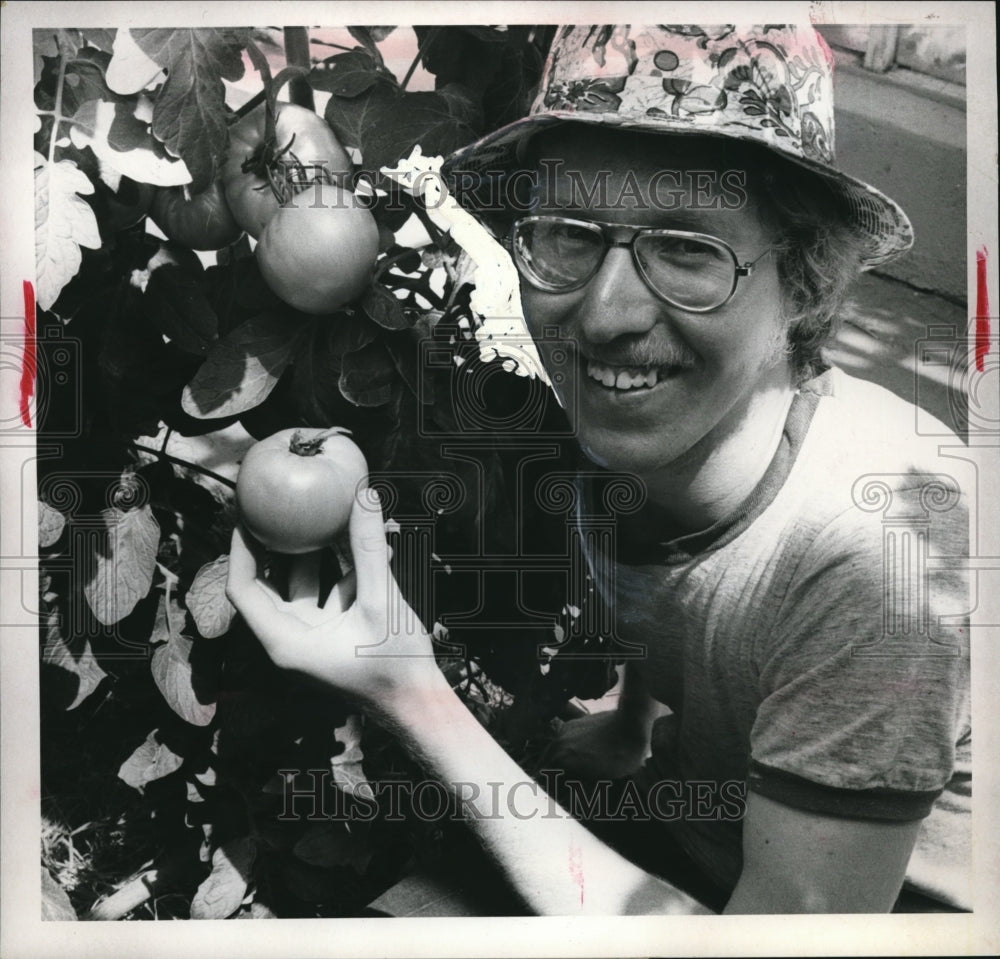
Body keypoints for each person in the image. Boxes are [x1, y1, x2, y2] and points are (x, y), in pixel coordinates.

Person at [226, 24, 970, 914]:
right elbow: (675, 596)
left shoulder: (879, 568)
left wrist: (411, 692)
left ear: (806, 283)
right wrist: (628, 725)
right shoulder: (647, 435)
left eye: (690, 249)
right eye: (569, 235)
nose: (607, 314)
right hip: (703, 836)